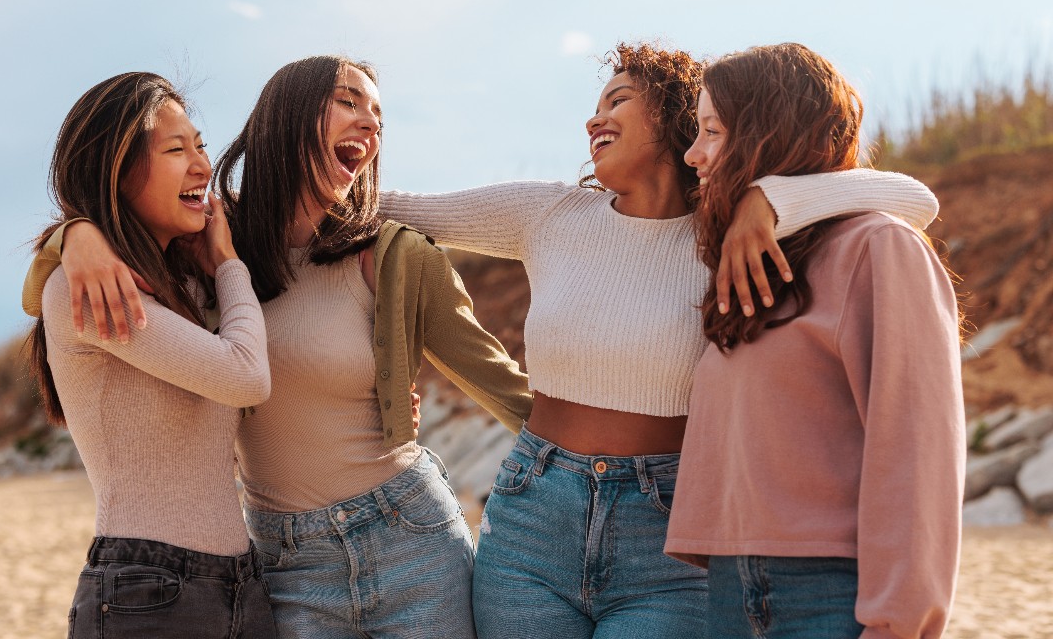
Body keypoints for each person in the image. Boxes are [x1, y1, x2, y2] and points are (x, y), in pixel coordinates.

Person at [373, 41, 941, 638]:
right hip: (532, 515)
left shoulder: (729, 235)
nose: (594, 119)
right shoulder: (549, 212)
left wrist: (767, 200)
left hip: (666, 530)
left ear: (674, 115)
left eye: (617, 100)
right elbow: (399, 210)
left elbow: (914, 200)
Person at [22, 56, 532, 639]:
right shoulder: (205, 254)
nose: (369, 122)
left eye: (378, 115)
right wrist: (72, 234)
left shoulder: (388, 258)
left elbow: (501, 384)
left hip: (397, 538)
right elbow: (72, 289)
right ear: (287, 117)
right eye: (347, 101)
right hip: (278, 564)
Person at [665, 43, 964, 639]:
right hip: (725, 592)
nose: (693, 153)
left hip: (832, 592)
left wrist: (900, 624)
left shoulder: (878, 248)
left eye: (712, 132)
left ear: (769, 135)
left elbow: (918, 445)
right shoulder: (750, 265)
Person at [26, 72, 276, 638]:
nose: (201, 165)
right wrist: (228, 264)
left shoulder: (184, 284)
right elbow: (245, 376)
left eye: (200, 145)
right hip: (147, 591)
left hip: (242, 584)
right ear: (115, 170)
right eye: (175, 149)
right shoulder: (86, 287)